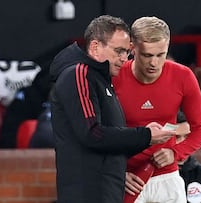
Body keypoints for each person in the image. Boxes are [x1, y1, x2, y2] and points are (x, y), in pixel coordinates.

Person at [50, 15, 176, 203]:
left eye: (127, 52)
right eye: (119, 51)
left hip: (107, 192)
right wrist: (144, 135)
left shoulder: (103, 80)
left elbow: (110, 144)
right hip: (88, 193)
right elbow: (92, 134)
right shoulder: (80, 74)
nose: (124, 59)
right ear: (95, 47)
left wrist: (147, 137)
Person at [112, 16, 201, 203]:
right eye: (147, 55)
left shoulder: (183, 76)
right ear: (132, 48)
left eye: (161, 55)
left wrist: (176, 153)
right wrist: (115, 172)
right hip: (125, 178)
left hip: (167, 177)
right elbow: (96, 134)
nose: (154, 63)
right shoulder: (114, 77)